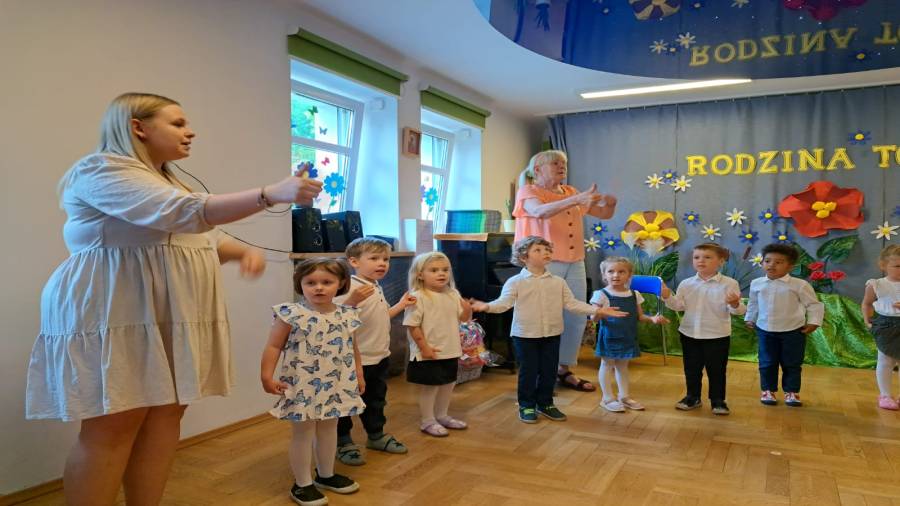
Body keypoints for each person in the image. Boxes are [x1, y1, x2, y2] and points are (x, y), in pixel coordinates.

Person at [24, 92, 323, 506]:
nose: (190, 132)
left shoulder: (168, 182)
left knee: (167, 412)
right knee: (115, 422)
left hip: (164, 311)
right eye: (178, 123)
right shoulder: (101, 170)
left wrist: (241, 252)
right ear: (138, 127)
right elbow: (181, 212)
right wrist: (272, 193)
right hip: (116, 309)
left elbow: (200, 235)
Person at [469, 237, 625, 424]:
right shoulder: (515, 281)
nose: (545, 253)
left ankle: (546, 403)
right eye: (538, 250)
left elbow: (572, 304)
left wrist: (597, 310)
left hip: (552, 334)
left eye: (547, 250)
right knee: (529, 371)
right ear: (523, 257)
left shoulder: (558, 282)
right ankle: (526, 404)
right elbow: (503, 304)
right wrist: (486, 306)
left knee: (549, 370)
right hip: (525, 335)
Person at [262, 259, 365, 505]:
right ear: (300, 284)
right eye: (311, 282)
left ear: (341, 284)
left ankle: (326, 475)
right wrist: (266, 376)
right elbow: (273, 345)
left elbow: (352, 348)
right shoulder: (291, 314)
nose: (318, 287)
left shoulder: (347, 315)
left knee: (330, 428)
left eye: (326, 282)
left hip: (337, 383)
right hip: (303, 385)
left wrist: (359, 374)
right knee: (303, 433)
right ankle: (302, 484)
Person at [513, 149, 618, 393]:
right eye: (555, 163)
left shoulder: (570, 192)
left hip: (575, 261)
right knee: (544, 316)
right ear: (537, 169)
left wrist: (611, 203)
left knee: (576, 315)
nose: (562, 166)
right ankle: (540, 373)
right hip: (545, 263)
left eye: (564, 163)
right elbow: (540, 211)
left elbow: (602, 213)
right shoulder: (528, 191)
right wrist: (576, 199)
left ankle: (563, 369)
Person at [333, 238, 416, 465]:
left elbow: (381, 316)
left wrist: (400, 305)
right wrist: (351, 301)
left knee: (376, 400)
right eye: (374, 258)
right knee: (345, 403)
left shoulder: (375, 286)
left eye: (385, 259)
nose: (382, 263)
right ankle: (343, 441)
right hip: (353, 360)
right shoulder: (349, 288)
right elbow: (336, 319)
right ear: (354, 261)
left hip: (378, 357)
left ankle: (376, 435)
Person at [661, 243, 746, 416]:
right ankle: (692, 397)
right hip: (690, 333)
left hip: (717, 335)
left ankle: (718, 400)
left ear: (721, 261)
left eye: (707, 257)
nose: (701, 261)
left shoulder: (730, 284)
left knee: (717, 370)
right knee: (691, 369)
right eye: (696, 257)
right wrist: (667, 296)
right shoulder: (686, 284)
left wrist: (735, 304)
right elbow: (679, 306)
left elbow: (738, 311)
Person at [745, 244, 824, 408]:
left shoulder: (799, 285)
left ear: (790, 266)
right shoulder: (756, 283)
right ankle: (768, 390)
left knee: (792, 363)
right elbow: (753, 303)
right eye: (767, 261)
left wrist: (814, 322)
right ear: (762, 263)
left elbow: (813, 305)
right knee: (767, 362)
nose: (771, 265)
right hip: (765, 330)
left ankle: (792, 392)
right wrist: (750, 318)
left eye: (778, 262)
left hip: (793, 331)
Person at [403, 252, 473, 437]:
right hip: (429, 351)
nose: (441, 273)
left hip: (450, 349)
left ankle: (442, 415)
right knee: (430, 387)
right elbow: (412, 325)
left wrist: (467, 310)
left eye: (445, 270)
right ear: (420, 274)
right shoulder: (418, 296)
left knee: (448, 384)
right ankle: (427, 420)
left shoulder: (453, 293)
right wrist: (424, 348)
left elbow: (463, 318)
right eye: (434, 270)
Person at [590, 257, 669, 413]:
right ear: (604, 275)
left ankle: (624, 396)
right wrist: (600, 312)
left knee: (623, 366)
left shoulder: (634, 294)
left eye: (621, 271)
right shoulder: (601, 294)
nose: (616, 275)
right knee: (606, 365)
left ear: (629, 275)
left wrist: (652, 319)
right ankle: (607, 398)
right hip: (609, 337)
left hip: (628, 336)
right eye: (611, 271)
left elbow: (640, 316)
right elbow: (594, 318)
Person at [861, 245, 900, 410]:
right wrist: (867, 320)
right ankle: (885, 395)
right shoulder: (877, 284)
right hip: (885, 325)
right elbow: (867, 303)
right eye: (897, 266)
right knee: (885, 360)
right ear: (883, 265)